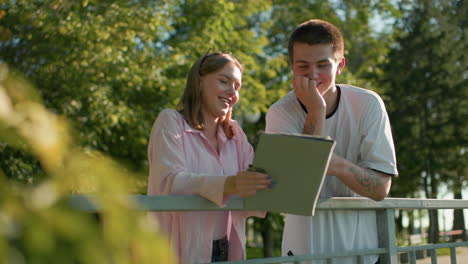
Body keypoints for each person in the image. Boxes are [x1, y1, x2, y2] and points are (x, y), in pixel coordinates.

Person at [265, 19, 398, 264]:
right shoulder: (280, 113)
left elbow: (380, 188)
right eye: (303, 65)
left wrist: (334, 164)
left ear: (340, 66)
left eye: (322, 65)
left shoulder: (368, 104)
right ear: (292, 67)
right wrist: (316, 110)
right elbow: (295, 193)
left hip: (363, 254)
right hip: (303, 254)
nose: (313, 75)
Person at [147, 51, 272, 264]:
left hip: (225, 250)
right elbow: (170, 181)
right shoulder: (171, 122)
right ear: (198, 82)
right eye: (224, 81)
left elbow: (252, 184)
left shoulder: (236, 135)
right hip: (177, 249)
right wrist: (230, 184)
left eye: (237, 86)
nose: (232, 92)